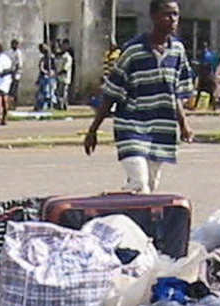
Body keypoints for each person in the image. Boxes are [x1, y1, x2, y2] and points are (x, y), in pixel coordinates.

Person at [84, 0, 194, 194]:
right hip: (132, 126)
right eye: (166, 14)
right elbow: (111, 93)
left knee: (150, 188)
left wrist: (183, 124)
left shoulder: (177, 50)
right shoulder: (133, 51)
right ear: (153, 16)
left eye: (175, 14)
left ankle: (131, 219)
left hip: (161, 128)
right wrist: (93, 130)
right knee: (140, 184)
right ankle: (114, 205)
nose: (172, 19)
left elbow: (175, 91)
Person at [35, 44, 56, 111]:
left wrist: (51, 73)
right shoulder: (43, 59)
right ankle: (41, 106)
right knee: (43, 92)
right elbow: (41, 68)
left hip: (50, 78)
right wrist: (45, 72)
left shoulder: (51, 59)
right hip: (44, 77)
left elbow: (54, 68)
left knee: (49, 92)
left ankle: (50, 105)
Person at [7, 39, 23, 110]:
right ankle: (9, 105)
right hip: (9, 73)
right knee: (9, 90)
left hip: (16, 73)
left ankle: (14, 105)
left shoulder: (18, 53)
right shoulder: (9, 52)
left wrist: (15, 71)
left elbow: (19, 64)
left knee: (14, 90)